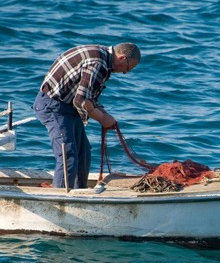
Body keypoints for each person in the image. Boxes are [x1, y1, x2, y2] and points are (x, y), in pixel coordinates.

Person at [33, 43, 141, 189]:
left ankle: (78, 191)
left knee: (83, 154)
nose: (125, 73)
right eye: (128, 68)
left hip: (68, 106)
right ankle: (59, 198)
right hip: (53, 106)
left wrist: (106, 115)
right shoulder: (98, 63)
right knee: (68, 155)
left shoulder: (104, 59)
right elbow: (81, 101)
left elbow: (89, 97)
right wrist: (102, 119)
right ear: (122, 58)